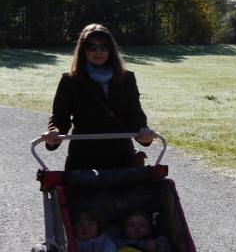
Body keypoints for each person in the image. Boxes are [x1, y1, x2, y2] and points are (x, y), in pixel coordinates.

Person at [40, 24, 155, 171]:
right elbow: (60, 117)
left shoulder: (127, 78)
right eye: (91, 47)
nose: (98, 52)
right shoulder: (70, 81)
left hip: (121, 155)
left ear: (111, 50)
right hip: (83, 157)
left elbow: (134, 113)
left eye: (104, 46)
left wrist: (143, 132)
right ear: (83, 50)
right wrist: (54, 134)